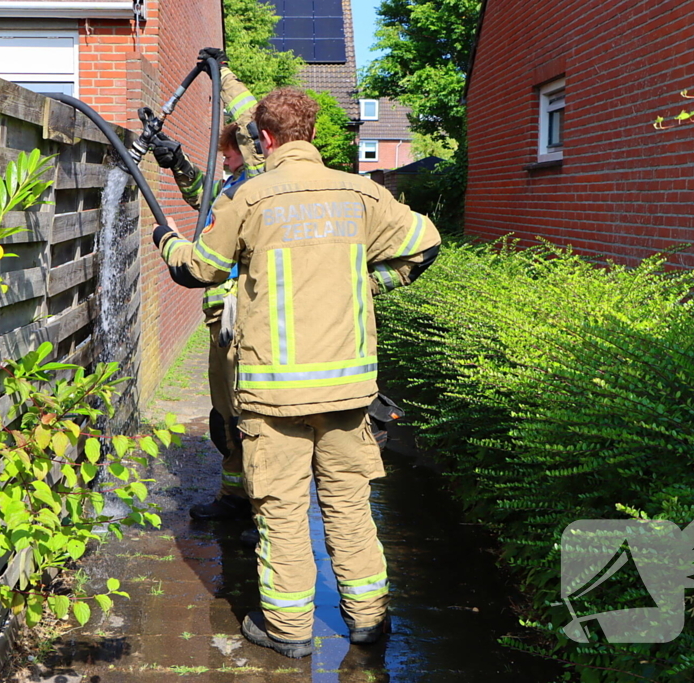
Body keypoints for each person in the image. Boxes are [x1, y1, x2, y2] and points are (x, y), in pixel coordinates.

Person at [150, 87, 441, 658]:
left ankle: (287, 629)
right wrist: (371, 283)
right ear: (312, 132)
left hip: (275, 397)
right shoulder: (362, 193)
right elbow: (425, 246)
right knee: (349, 507)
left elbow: (201, 270)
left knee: (282, 513)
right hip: (348, 393)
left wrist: (167, 243)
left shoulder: (251, 197)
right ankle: (369, 621)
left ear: (264, 138)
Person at [149, 47, 265, 520]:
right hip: (221, 320)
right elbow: (205, 199)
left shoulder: (260, 183)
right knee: (226, 417)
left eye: (231, 152)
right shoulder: (234, 186)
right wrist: (176, 160)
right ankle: (234, 498)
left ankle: (262, 512)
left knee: (250, 415)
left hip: (246, 318)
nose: (227, 159)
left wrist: (225, 76)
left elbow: (252, 119)